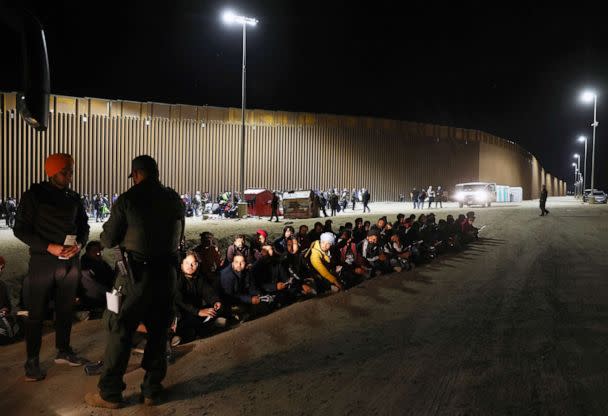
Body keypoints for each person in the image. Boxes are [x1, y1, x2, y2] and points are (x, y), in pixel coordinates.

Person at [85, 155, 184, 409]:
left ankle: (110, 393)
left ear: (137, 174)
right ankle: (152, 389)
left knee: (118, 327)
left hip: (133, 277)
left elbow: (107, 240)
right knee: (158, 331)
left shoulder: (128, 199)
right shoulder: (173, 198)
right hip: (167, 275)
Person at [13, 153, 90, 382]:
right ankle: (32, 361)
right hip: (42, 262)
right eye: (64, 172)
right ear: (51, 173)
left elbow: (83, 225)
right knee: (36, 313)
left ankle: (64, 350)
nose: (69, 177)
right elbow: (20, 230)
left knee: (66, 309)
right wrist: (49, 247)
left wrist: (79, 245)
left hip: (70, 261)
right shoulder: (34, 195)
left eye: (70, 172)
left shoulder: (74, 197)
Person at [174, 251, 223, 343]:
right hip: (180, 313)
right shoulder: (177, 279)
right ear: (181, 265)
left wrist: (215, 301)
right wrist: (198, 312)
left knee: (217, 308)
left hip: (195, 311)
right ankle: (181, 334)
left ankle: (202, 327)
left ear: (197, 265)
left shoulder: (199, 278)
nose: (190, 266)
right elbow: (180, 301)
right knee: (189, 327)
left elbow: (208, 292)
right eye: (187, 263)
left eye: (194, 263)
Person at [79, 241, 115, 311]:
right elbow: (100, 283)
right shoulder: (88, 266)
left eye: (99, 250)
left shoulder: (100, 262)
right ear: (88, 252)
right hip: (96, 297)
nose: (98, 253)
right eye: (94, 251)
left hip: (104, 293)